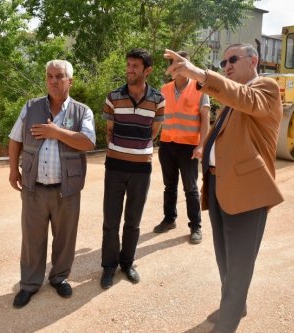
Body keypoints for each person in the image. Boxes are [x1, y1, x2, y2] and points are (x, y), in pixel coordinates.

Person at [164, 44, 284, 333]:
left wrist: (197, 74)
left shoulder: (265, 88)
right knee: (225, 257)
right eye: (223, 61)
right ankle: (235, 305)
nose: (227, 65)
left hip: (246, 189)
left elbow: (245, 98)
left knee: (240, 262)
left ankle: (227, 324)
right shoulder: (232, 98)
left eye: (233, 59)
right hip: (219, 184)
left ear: (253, 60)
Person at [8, 59, 96, 308]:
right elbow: (15, 139)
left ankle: (59, 278)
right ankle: (29, 284)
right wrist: (13, 169)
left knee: (65, 238)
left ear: (70, 81)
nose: (54, 81)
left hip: (66, 190)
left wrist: (55, 131)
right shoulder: (30, 107)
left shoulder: (82, 111)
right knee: (32, 238)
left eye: (59, 76)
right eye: (50, 76)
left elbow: (88, 142)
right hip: (34, 187)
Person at [100, 48, 165, 289]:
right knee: (111, 219)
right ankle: (108, 266)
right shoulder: (113, 97)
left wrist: (137, 150)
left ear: (147, 70)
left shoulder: (158, 99)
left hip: (142, 168)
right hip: (115, 166)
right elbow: (109, 130)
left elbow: (153, 133)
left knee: (133, 220)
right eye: (128, 65)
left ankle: (127, 263)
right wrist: (120, 150)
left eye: (135, 66)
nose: (129, 70)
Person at [154, 51, 210, 244]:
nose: (179, 68)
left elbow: (205, 120)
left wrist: (202, 145)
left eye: (182, 63)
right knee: (169, 186)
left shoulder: (200, 88)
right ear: (171, 68)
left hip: (189, 147)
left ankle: (196, 226)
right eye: (175, 64)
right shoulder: (165, 89)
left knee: (191, 188)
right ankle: (169, 219)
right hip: (167, 145)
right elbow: (158, 117)